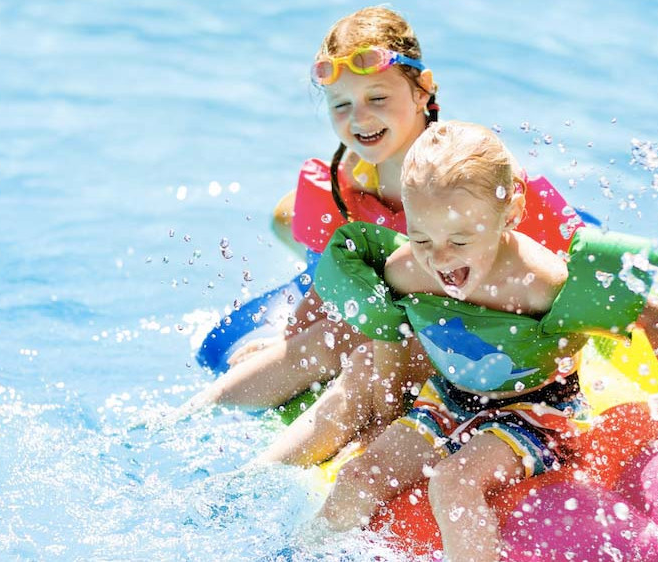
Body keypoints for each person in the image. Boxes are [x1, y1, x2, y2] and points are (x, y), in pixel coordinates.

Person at [299, 121, 658, 561]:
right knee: (358, 478)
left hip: (538, 409)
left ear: (509, 215)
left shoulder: (540, 282)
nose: (439, 257)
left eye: (459, 240)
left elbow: (656, 317)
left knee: (453, 484)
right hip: (447, 398)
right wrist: (388, 415)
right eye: (421, 237)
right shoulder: (407, 269)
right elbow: (388, 328)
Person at [178, 7, 585, 440]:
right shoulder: (345, 185)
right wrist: (288, 339)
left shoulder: (477, 183)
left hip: (467, 332)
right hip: (395, 309)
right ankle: (187, 418)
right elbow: (334, 279)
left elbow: (574, 269)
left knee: (350, 336)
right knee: (321, 301)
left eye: (377, 98)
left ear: (423, 90)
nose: (360, 118)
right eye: (341, 104)